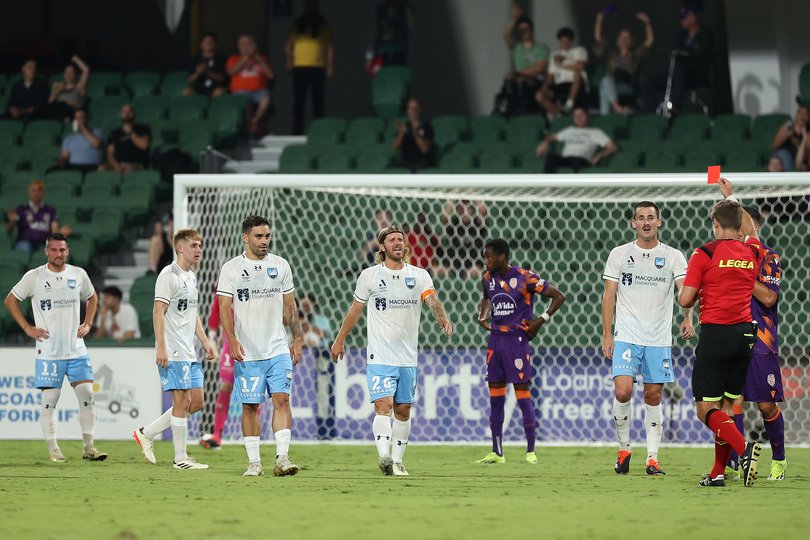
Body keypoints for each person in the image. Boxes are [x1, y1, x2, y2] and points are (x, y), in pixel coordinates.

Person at [331, 224, 453, 476]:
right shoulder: (370, 276)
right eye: (392, 240)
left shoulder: (419, 275)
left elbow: (432, 300)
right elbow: (355, 310)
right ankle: (384, 455)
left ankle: (397, 462)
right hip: (380, 353)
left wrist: (442, 317)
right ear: (382, 246)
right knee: (383, 405)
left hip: (408, 355)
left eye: (401, 239)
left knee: (403, 409)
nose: (398, 243)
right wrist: (340, 339)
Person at [677, 177, 763, 487]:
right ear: (738, 225)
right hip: (744, 337)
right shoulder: (751, 251)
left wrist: (694, 290)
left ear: (715, 223)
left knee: (705, 410)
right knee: (728, 408)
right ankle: (717, 473)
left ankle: (744, 450)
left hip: (715, 336)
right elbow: (754, 233)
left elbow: (685, 298)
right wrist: (733, 197)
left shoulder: (705, 254)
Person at [601, 201, 694, 476]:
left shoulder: (673, 256)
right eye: (640, 217)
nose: (645, 222)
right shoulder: (619, 254)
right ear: (633, 223)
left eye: (650, 217)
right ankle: (624, 448)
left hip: (658, 337)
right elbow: (609, 296)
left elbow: (684, 291)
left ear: (659, 222)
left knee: (653, 396)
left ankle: (652, 459)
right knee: (623, 391)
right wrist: (607, 334)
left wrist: (687, 317)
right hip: (627, 334)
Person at [3, 233, 106, 462]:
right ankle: (54, 450)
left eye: (62, 250)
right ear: (46, 251)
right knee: (50, 400)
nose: (58, 254)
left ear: (67, 251)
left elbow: (93, 297)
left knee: (87, 395)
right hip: (49, 351)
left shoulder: (78, 274)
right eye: (54, 250)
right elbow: (10, 300)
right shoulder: (35, 276)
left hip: (76, 349)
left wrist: (88, 323)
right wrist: (27, 327)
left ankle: (89, 448)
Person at [216, 215, 303, 477]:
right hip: (249, 352)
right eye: (258, 236)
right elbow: (224, 308)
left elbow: (291, 305)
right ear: (245, 237)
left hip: (277, 347)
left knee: (282, 400)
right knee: (250, 406)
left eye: (267, 236)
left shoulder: (281, 265)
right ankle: (254, 463)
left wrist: (297, 338)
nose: (264, 241)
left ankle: (283, 459)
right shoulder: (231, 268)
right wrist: (231, 340)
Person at [475, 239, 565, 464]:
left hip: (517, 341)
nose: (486, 261)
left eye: (489, 257)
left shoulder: (525, 277)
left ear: (502, 257)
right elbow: (486, 297)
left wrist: (540, 321)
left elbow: (558, 296)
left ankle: (531, 451)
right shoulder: (487, 279)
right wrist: (482, 315)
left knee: (523, 396)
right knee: (496, 398)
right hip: (495, 341)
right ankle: (497, 452)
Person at [133, 229, 216, 469]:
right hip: (173, 349)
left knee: (197, 403)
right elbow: (158, 311)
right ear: (179, 248)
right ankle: (180, 458)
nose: (198, 250)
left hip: (189, 349)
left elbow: (193, 313)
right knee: (181, 401)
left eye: (200, 245)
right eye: (193, 245)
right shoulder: (168, 275)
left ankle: (146, 433)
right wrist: (162, 347)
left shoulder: (192, 277)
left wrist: (204, 340)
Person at [724, 206, 786, 481]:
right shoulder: (728, 258)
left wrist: (745, 273)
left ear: (753, 229)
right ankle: (737, 463)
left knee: (765, 405)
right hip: (732, 337)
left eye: (741, 229)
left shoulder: (769, 257)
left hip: (761, 339)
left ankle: (779, 462)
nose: (737, 234)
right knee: (732, 401)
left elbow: (769, 298)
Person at [644, 5, 713, 114]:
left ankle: (676, 106)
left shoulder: (705, 34)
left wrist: (687, 53)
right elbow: (675, 49)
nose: (681, 21)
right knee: (651, 83)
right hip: (677, 74)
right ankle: (653, 112)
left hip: (695, 76)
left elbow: (701, 53)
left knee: (679, 70)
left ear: (693, 17)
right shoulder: (683, 35)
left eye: (684, 18)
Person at [285, 0, 335, 135]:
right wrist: (289, 61)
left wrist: (330, 67)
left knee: (318, 100)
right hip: (300, 66)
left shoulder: (322, 23)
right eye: (309, 5)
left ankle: (318, 131)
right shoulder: (299, 23)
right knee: (299, 100)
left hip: (318, 66)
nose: (311, 8)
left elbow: (329, 46)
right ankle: (297, 131)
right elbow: (289, 45)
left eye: (314, 6)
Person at [593, 9, 654, 115]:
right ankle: (612, 113)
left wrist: (647, 23)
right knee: (605, 83)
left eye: (627, 37)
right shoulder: (611, 53)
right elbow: (599, 39)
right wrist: (599, 18)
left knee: (604, 83)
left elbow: (649, 41)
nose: (624, 39)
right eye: (622, 37)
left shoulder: (635, 55)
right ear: (617, 40)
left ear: (631, 41)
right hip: (612, 84)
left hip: (626, 84)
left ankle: (613, 111)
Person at [199, 288, 235, 449]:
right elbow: (215, 313)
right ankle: (217, 435)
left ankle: (253, 436)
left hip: (253, 343)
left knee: (254, 391)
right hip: (229, 343)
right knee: (226, 385)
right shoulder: (224, 286)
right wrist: (212, 340)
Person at [498, 7, 548, 116]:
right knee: (509, 79)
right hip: (518, 78)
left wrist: (521, 72)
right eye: (521, 30)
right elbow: (506, 35)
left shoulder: (541, 48)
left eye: (526, 29)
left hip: (536, 80)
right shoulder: (517, 47)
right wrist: (514, 18)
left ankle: (523, 110)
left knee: (520, 80)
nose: (524, 32)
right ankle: (508, 108)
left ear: (532, 29)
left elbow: (540, 67)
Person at [535, 106, 618, 173]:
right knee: (550, 157)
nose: (578, 118)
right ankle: (550, 188)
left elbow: (613, 147)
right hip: (566, 159)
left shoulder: (595, 132)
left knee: (577, 160)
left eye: (581, 115)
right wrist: (545, 142)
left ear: (587, 116)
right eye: (576, 115)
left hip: (582, 160)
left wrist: (599, 155)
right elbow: (552, 136)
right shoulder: (570, 130)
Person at [535, 27, 588, 117]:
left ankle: (569, 105)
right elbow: (550, 76)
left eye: (567, 41)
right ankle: (560, 115)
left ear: (571, 41)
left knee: (577, 75)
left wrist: (561, 65)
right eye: (562, 41)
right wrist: (545, 85)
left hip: (575, 83)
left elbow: (580, 66)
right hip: (559, 84)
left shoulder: (579, 51)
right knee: (539, 95)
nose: (564, 44)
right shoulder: (554, 55)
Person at [227, 35, 274, 135]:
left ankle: (254, 121)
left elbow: (271, 75)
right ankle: (249, 126)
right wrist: (245, 58)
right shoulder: (234, 59)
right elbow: (231, 72)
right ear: (238, 46)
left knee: (266, 99)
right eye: (243, 44)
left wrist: (259, 59)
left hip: (259, 91)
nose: (246, 46)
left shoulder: (263, 59)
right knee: (246, 100)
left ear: (254, 45)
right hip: (241, 91)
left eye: (249, 43)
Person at [6, 179, 67, 253]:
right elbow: (9, 230)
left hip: (43, 244)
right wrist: (12, 221)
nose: (36, 193)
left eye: (39, 190)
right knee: (25, 248)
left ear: (43, 193)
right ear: (29, 193)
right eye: (33, 190)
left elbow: (54, 230)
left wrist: (61, 234)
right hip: (24, 242)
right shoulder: (21, 209)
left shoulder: (50, 210)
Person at [439, 199, 488, 278]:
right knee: (437, 270)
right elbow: (445, 217)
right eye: (461, 208)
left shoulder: (477, 225)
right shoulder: (454, 224)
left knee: (474, 272)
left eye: (467, 208)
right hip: (453, 264)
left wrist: (473, 193)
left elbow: (484, 213)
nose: (464, 211)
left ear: (471, 210)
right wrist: (453, 197)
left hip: (473, 264)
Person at [365, 0, 414, 74]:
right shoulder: (380, 9)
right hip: (381, 58)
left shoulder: (405, 8)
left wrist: (408, 5)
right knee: (380, 81)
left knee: (398, 82)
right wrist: (369, 57)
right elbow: (373, 34)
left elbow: (412, 26)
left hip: (399, 57)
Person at [99, 104, 151, 173]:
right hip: (117, 164)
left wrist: (130, 132)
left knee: (127, 169)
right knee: (101, 168)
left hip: (135, 164)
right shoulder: (115, 133)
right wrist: (116, 166)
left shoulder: (142, 129)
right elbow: (110, 153)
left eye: (129, 111)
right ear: (120, 114)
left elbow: (144, 146)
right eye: (124, 111)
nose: (126, 113)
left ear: (134, 114)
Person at [54, 108, 104, 174]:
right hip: (73, 166)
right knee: (51, 171)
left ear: (87, 119)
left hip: (91, 166)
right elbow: (64, 156)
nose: (78, 120)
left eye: (81, 117)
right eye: (76, 117)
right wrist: (62, 161)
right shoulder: (69, 137)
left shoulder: (97, 132)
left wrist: (83, 129)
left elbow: (97, 144)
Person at [392, 98, 435, 171]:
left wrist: (415, 131)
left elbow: (424, 149)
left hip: (422, 162)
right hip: (406, 161)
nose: (413, 111)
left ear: (419, 110)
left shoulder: (426, 127)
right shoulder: (404, 126)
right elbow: (395, 148)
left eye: (415, 108)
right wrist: (401, 133)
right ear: (407, 111)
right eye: (410, 108)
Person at [184, 32, 228, 97]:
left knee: (219, 92)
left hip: (215, 87)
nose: (208, 44)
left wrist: (206, 72)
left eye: (210, 42)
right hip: (200, 88)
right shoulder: (195, 58)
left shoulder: (221, 58)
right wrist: (197, 73)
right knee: (186, 92)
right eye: (205, 42)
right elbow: (189, 79)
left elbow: (222, 78)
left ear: (215, 44)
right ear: (201, 44)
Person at [47, 56, 90, 121]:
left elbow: (86, 70)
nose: (69, 75)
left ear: (75, 75)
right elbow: (50, 102)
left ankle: (66, 119)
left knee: (62, 104)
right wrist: (57, 91)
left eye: (71, 72)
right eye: (67, 72)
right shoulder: (57, 85)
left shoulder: (79, 86)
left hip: (73, 111)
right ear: (64, 75)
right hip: (59, 111)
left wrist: (76, 59)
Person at [770, 105, 808, 172]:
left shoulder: (807, 134)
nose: (802, 116)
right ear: (796, 114)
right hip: (779, 156)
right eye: (800, 113)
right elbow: (774, 146)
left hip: (795, 161)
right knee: (778, 158)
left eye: (806, 114)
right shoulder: (787, 127)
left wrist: (793, 138)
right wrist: (784, 134)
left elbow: (805, 156)